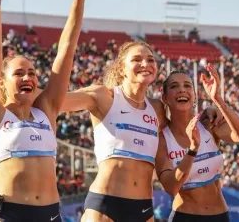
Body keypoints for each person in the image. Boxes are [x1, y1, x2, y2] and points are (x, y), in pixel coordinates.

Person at [0, 0, 86, 221]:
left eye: (32, 73)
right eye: (19, 73)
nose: (28, 78)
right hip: (10, 215)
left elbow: (66, 52)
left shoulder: (45, 111)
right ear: (3, 83)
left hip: (51, 215)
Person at [59, 41, 223, 222]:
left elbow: (181, 126)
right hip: (106, 204)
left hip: (143, 208)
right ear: (122, 68)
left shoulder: (158, 109)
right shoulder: (103, 97)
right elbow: (54, 102)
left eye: (151, 60)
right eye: (137, 59)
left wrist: (208, 113)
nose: (145, 64)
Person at [155, 64, 239, 222]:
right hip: (184, 217)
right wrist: (192, 150)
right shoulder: (162, 139)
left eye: (187, 86)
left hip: (220, 216)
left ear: (194, 95)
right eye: (174, 86)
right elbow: (171, 187)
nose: (182, 90)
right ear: (165, 98)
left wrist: (218, 100)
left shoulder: (209, 124)